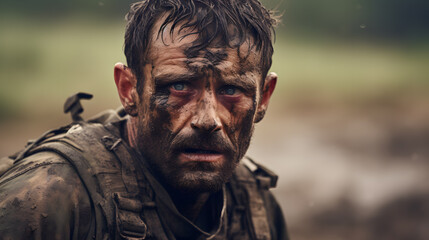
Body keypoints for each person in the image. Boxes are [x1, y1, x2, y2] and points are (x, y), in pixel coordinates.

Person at [0, 0, 288, 239]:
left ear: (263, 98)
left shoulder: (255, 206)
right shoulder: (47, 197)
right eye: (179, 87)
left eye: (231, 90)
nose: (207, 119)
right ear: (129, 90)